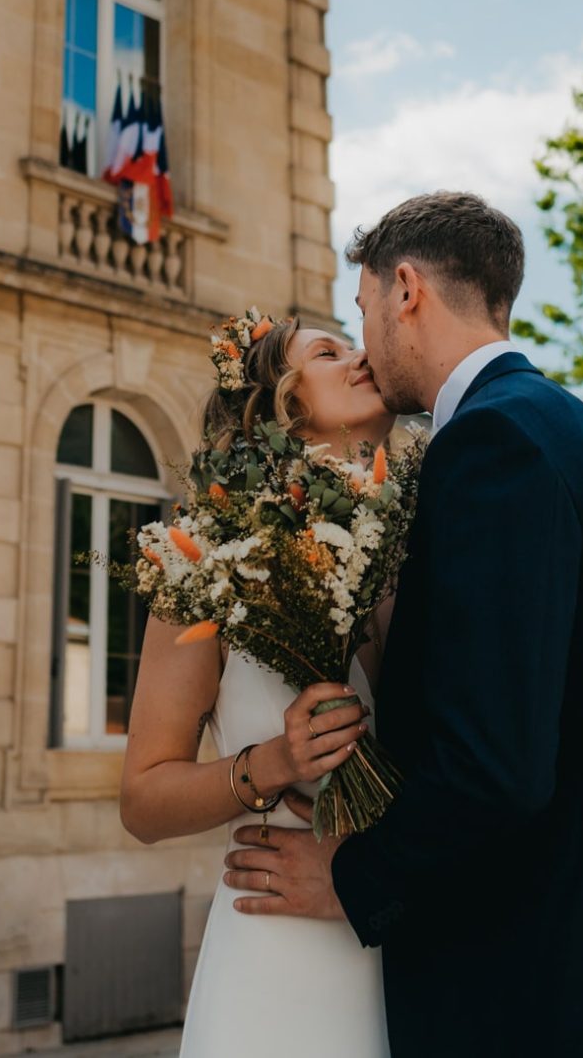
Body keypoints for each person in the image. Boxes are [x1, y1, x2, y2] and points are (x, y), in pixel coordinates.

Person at [220, 191, 583, 1057]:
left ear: (406, 289)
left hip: (558, 986)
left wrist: (355, 880)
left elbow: (496, 761)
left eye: (361, 311)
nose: (364, 346)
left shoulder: (493, 444)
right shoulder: (553, 423)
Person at [119, 318, 398, 1058]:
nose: (362, 357)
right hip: (278, 954)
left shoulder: (422, 546)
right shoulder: (208, 560)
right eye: (329, 352)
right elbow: (143, 798)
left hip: (410, 945)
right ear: (279, 405)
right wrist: (275, 762)